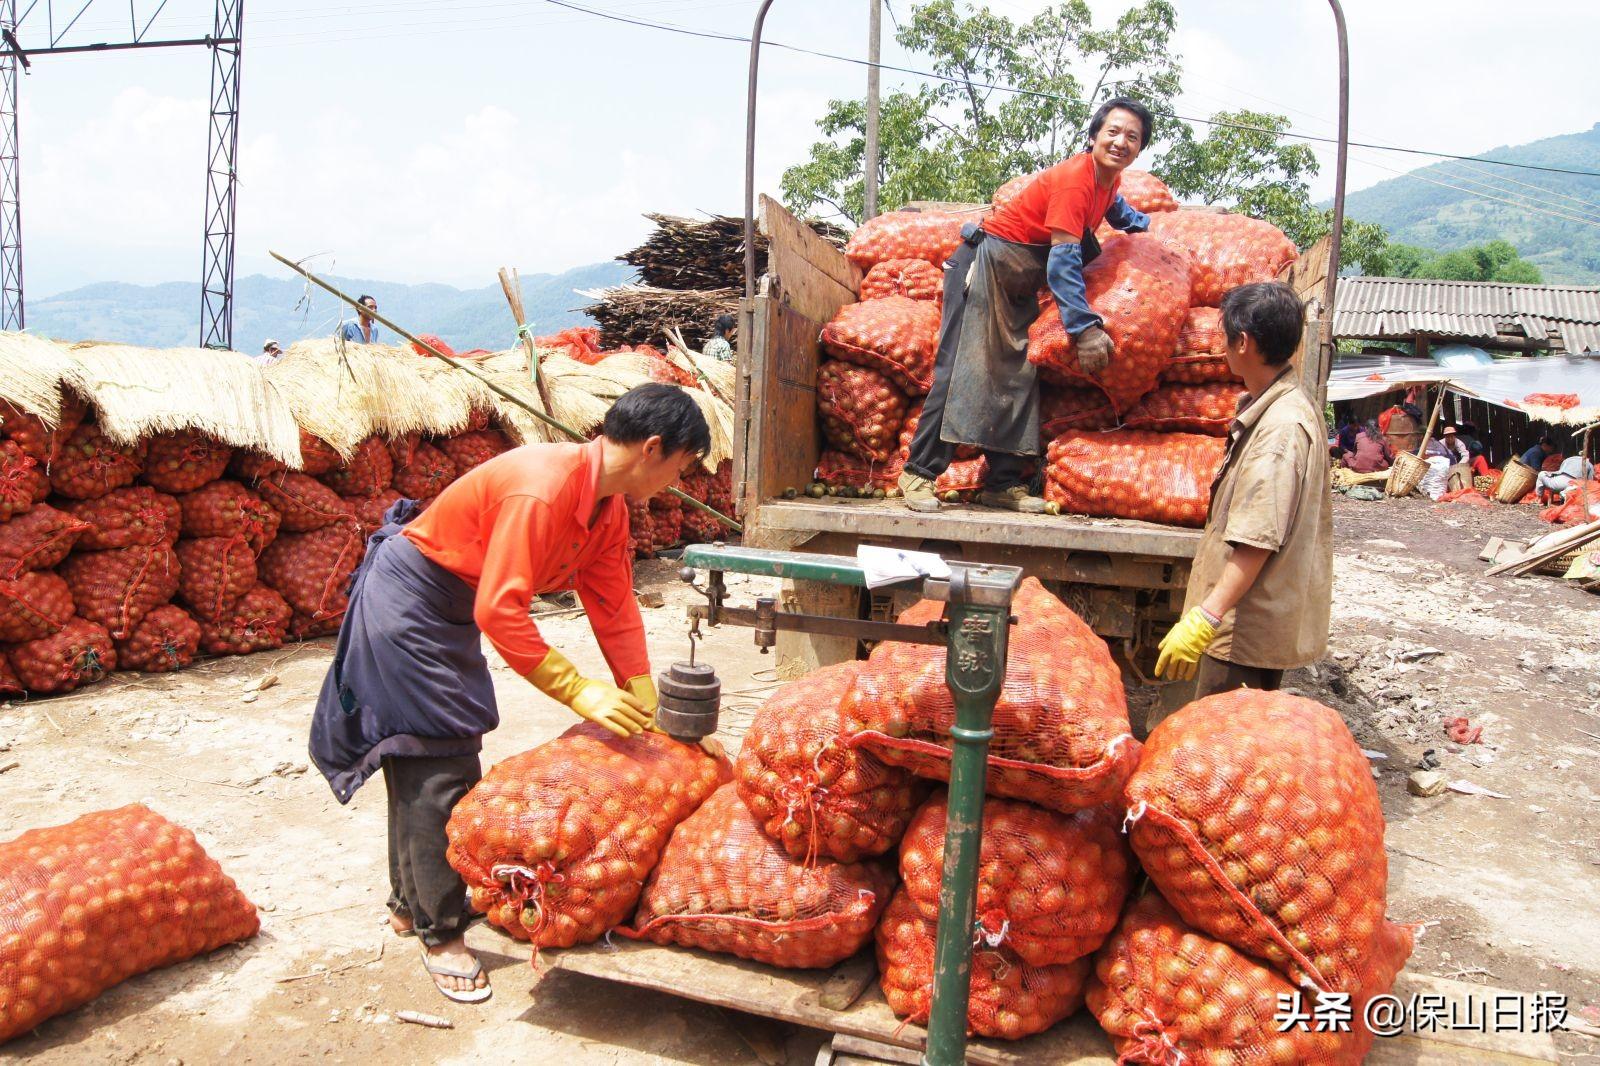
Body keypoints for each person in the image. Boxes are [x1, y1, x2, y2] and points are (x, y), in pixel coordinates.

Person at [308, 383, 710, 1004]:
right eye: (681, 466)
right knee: (438, 755)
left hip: (451, 602)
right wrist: (577, 690)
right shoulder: (543, 487)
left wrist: (638, 691)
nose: (678, 479)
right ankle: (440, 934)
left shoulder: (608, 505)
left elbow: (612, 600)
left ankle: (409, 905)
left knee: (428, 752)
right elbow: (502, 611)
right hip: (411, 598)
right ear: (653, 448)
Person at [898, 97, 1155, 514]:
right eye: (1113, 132)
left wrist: (1144, 228)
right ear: (1093, 137)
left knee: (1019, 375)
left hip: (1016, 285)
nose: (1121, 141)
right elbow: (1063, 262)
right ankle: (918, 474)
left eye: (1132, 137)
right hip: (981, 269)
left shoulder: (1108, 185)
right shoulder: (1076, 180)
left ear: (1139, 149)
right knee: (962, 370)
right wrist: (1084, 329)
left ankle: (1001, 485)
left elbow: (1118, 210)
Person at [1152, 282, 1331, 706]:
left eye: (1225, 336)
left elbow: (1257, 540)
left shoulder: (1280, 430)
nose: (1221, 346)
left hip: (1240, 633)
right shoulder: (1280, 408)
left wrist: (1207, 617)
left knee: (1213, 751)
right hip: (1239, 628)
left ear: (1244, 342)